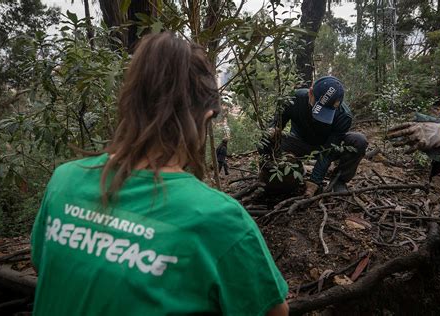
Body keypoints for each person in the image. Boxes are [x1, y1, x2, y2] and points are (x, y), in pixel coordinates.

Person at [30, 32, 288, 316]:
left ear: (129, 101)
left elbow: (44, 266)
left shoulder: (63, 182)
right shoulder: (220, 219)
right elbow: (274, 312)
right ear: (205, 116)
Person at [264, 76, 368, 196]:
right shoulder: (294, 98)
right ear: (310, 92)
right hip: (298, 143)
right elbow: (277, 123)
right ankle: (292, 171)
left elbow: (329, 150)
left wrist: (315, 181)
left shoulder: (343, 116)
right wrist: (273, 129)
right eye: (318, 107)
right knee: (266, 139)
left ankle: (339, 181)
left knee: (359, 141)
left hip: (325, 147)